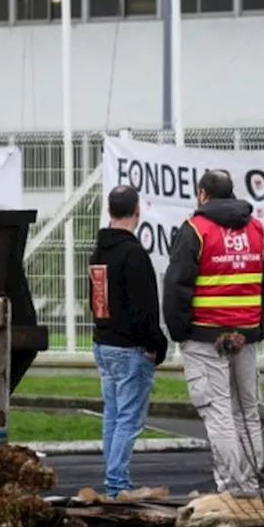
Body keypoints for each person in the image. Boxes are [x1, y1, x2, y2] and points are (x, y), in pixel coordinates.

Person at [162, 169, 264, 498]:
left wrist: (180, 331)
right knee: (247, 410)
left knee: (218, 412)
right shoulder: (257, 229)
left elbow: (177, 285)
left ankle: (232, 487)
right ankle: (250, 483)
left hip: (205, 337)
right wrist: (259, 328)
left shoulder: (195, 230)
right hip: (244, 337)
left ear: (202, 194)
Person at [89, 184, 168, 497]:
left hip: (104, 342)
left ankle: (113, 480)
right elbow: (145, 306)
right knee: (129, 420)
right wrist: (155, 345)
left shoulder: (99, 252)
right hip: (129, 348)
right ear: (138, 211)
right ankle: (117, 483)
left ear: (110, 211)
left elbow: (96, 299)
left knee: (112, 415)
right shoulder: (133, 253)